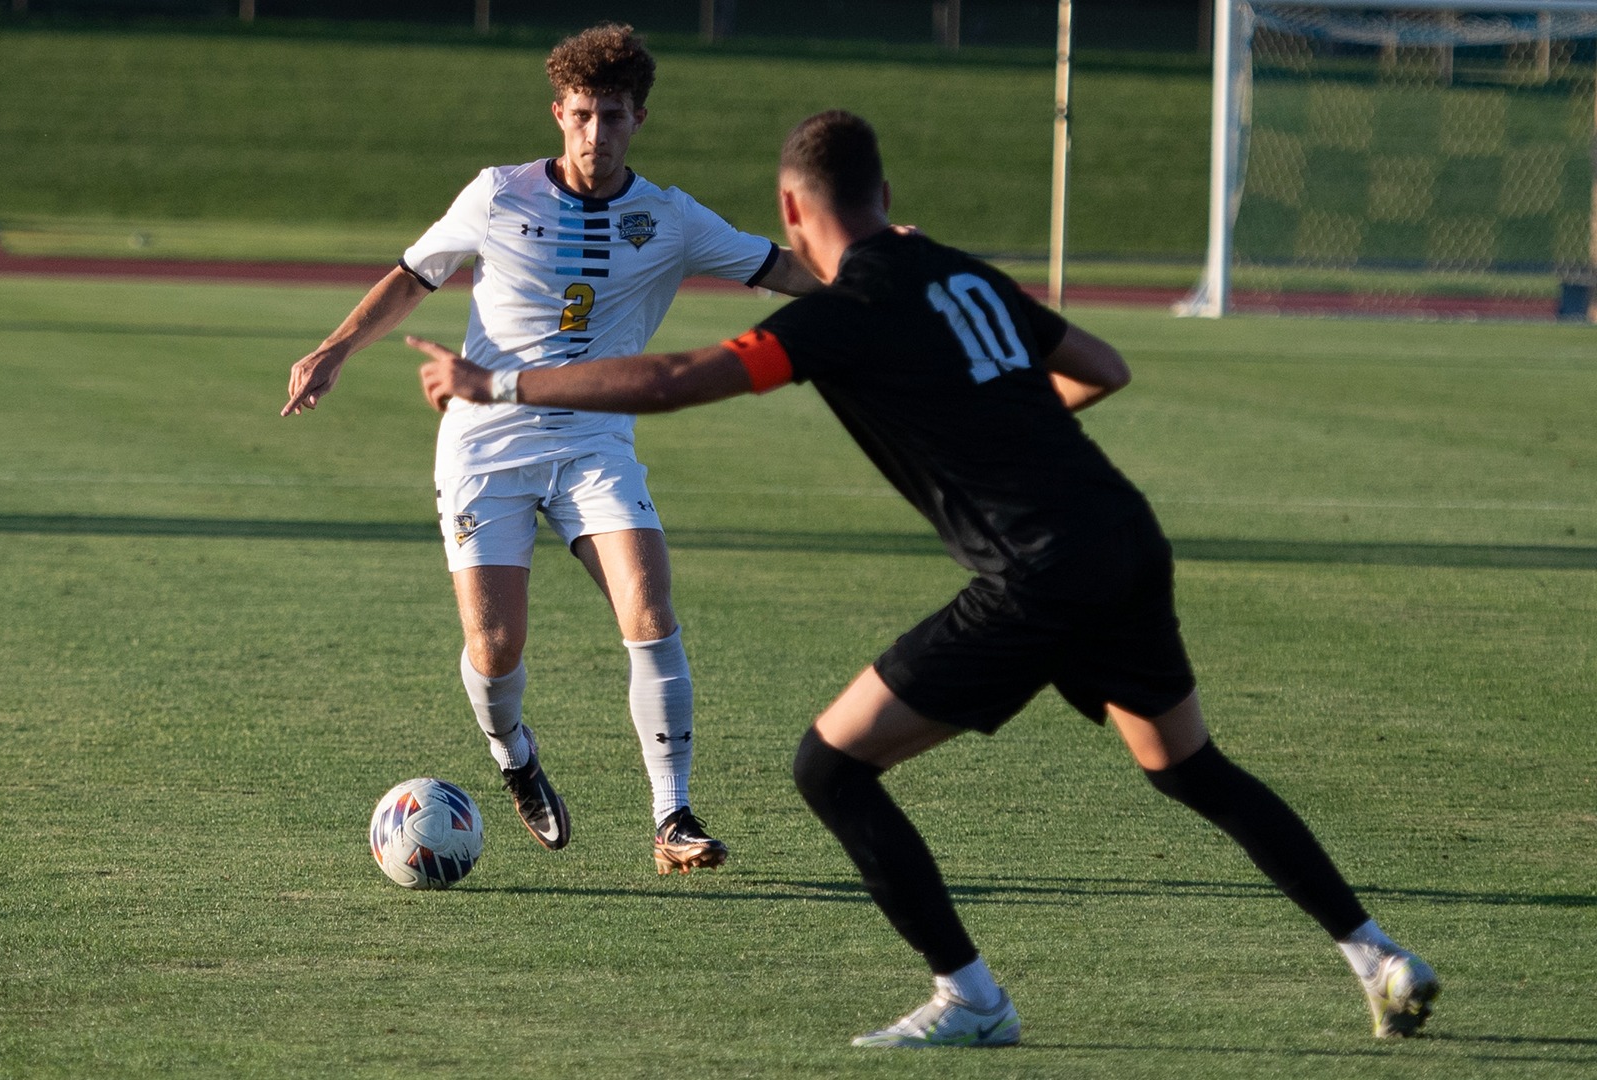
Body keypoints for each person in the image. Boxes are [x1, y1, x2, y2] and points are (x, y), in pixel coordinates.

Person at [413, 110, 1439, 1046]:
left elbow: (681, 381)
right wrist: (997, 426)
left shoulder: (842, 312)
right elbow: (1103, 366)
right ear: (887, 198)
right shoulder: (959, 273)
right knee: (1186, 769)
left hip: (1034, 572)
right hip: (1123, 538)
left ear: (790, 210)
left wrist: (497, 380)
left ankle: (973, 999)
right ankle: (1378, 956)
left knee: (830, 767)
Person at [282, 24, 819, 874]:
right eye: (580, 116)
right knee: (496, 649)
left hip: (595, 441)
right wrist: (335, 348)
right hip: (483, 443)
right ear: (557, 114)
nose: (595, 134)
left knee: (649, 606)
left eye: (612, 116)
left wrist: (877, 270)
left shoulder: (670, 218)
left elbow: (781, 268)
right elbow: (414, 274)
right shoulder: (499, 195)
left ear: (640, 117)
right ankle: (514, 760)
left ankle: (672, 816)